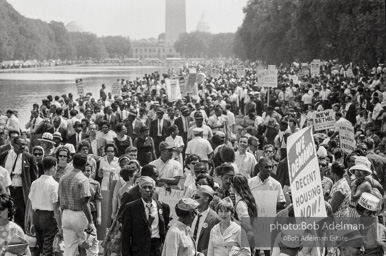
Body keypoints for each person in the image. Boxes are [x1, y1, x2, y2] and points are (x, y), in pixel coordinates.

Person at [121, 176, 170, 256]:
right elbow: (125, 235)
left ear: (154, 189)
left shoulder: (163, 207)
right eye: (144, 187)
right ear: (140, 190)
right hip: (138, 250)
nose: (147, 190)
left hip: (156, 250)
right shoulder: (131, 207)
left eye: (150, 187)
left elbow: (164, 228)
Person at [58, 153, 95, 256]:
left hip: (66, 214)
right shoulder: (83, 179)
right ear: (84, 164)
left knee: (69, 250)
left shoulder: (63, 178)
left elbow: (59, 198)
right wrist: (90, 221)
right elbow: (84, 202)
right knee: (92, 246)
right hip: (79, 214)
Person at [0, 136, 38, 230]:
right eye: (21, 144)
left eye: (25, 144)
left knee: (21, 214)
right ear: (13, 144)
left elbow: (34, 177)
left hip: (21, 192)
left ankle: (19, 235)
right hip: (7, 190)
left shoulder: (29, 158)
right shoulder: (4, 155)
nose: (23, 147)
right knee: (6, 213)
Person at [28, 156, 62, 256]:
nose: (56, 170)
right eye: (55, 167)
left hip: (36, 215)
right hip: (49, 217)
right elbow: (56, 207)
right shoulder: (54, 184)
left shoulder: (35, 183)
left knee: (41, 247)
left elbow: (30, 204)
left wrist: (32, 222)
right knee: (48, 249)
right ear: (52, 167)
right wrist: (60, 226)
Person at [191, 185, 221, 255]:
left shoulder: (215, 219)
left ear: (206, 199)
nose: (194, 199)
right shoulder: (191, 214)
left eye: (197, 197)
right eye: (193, 197)